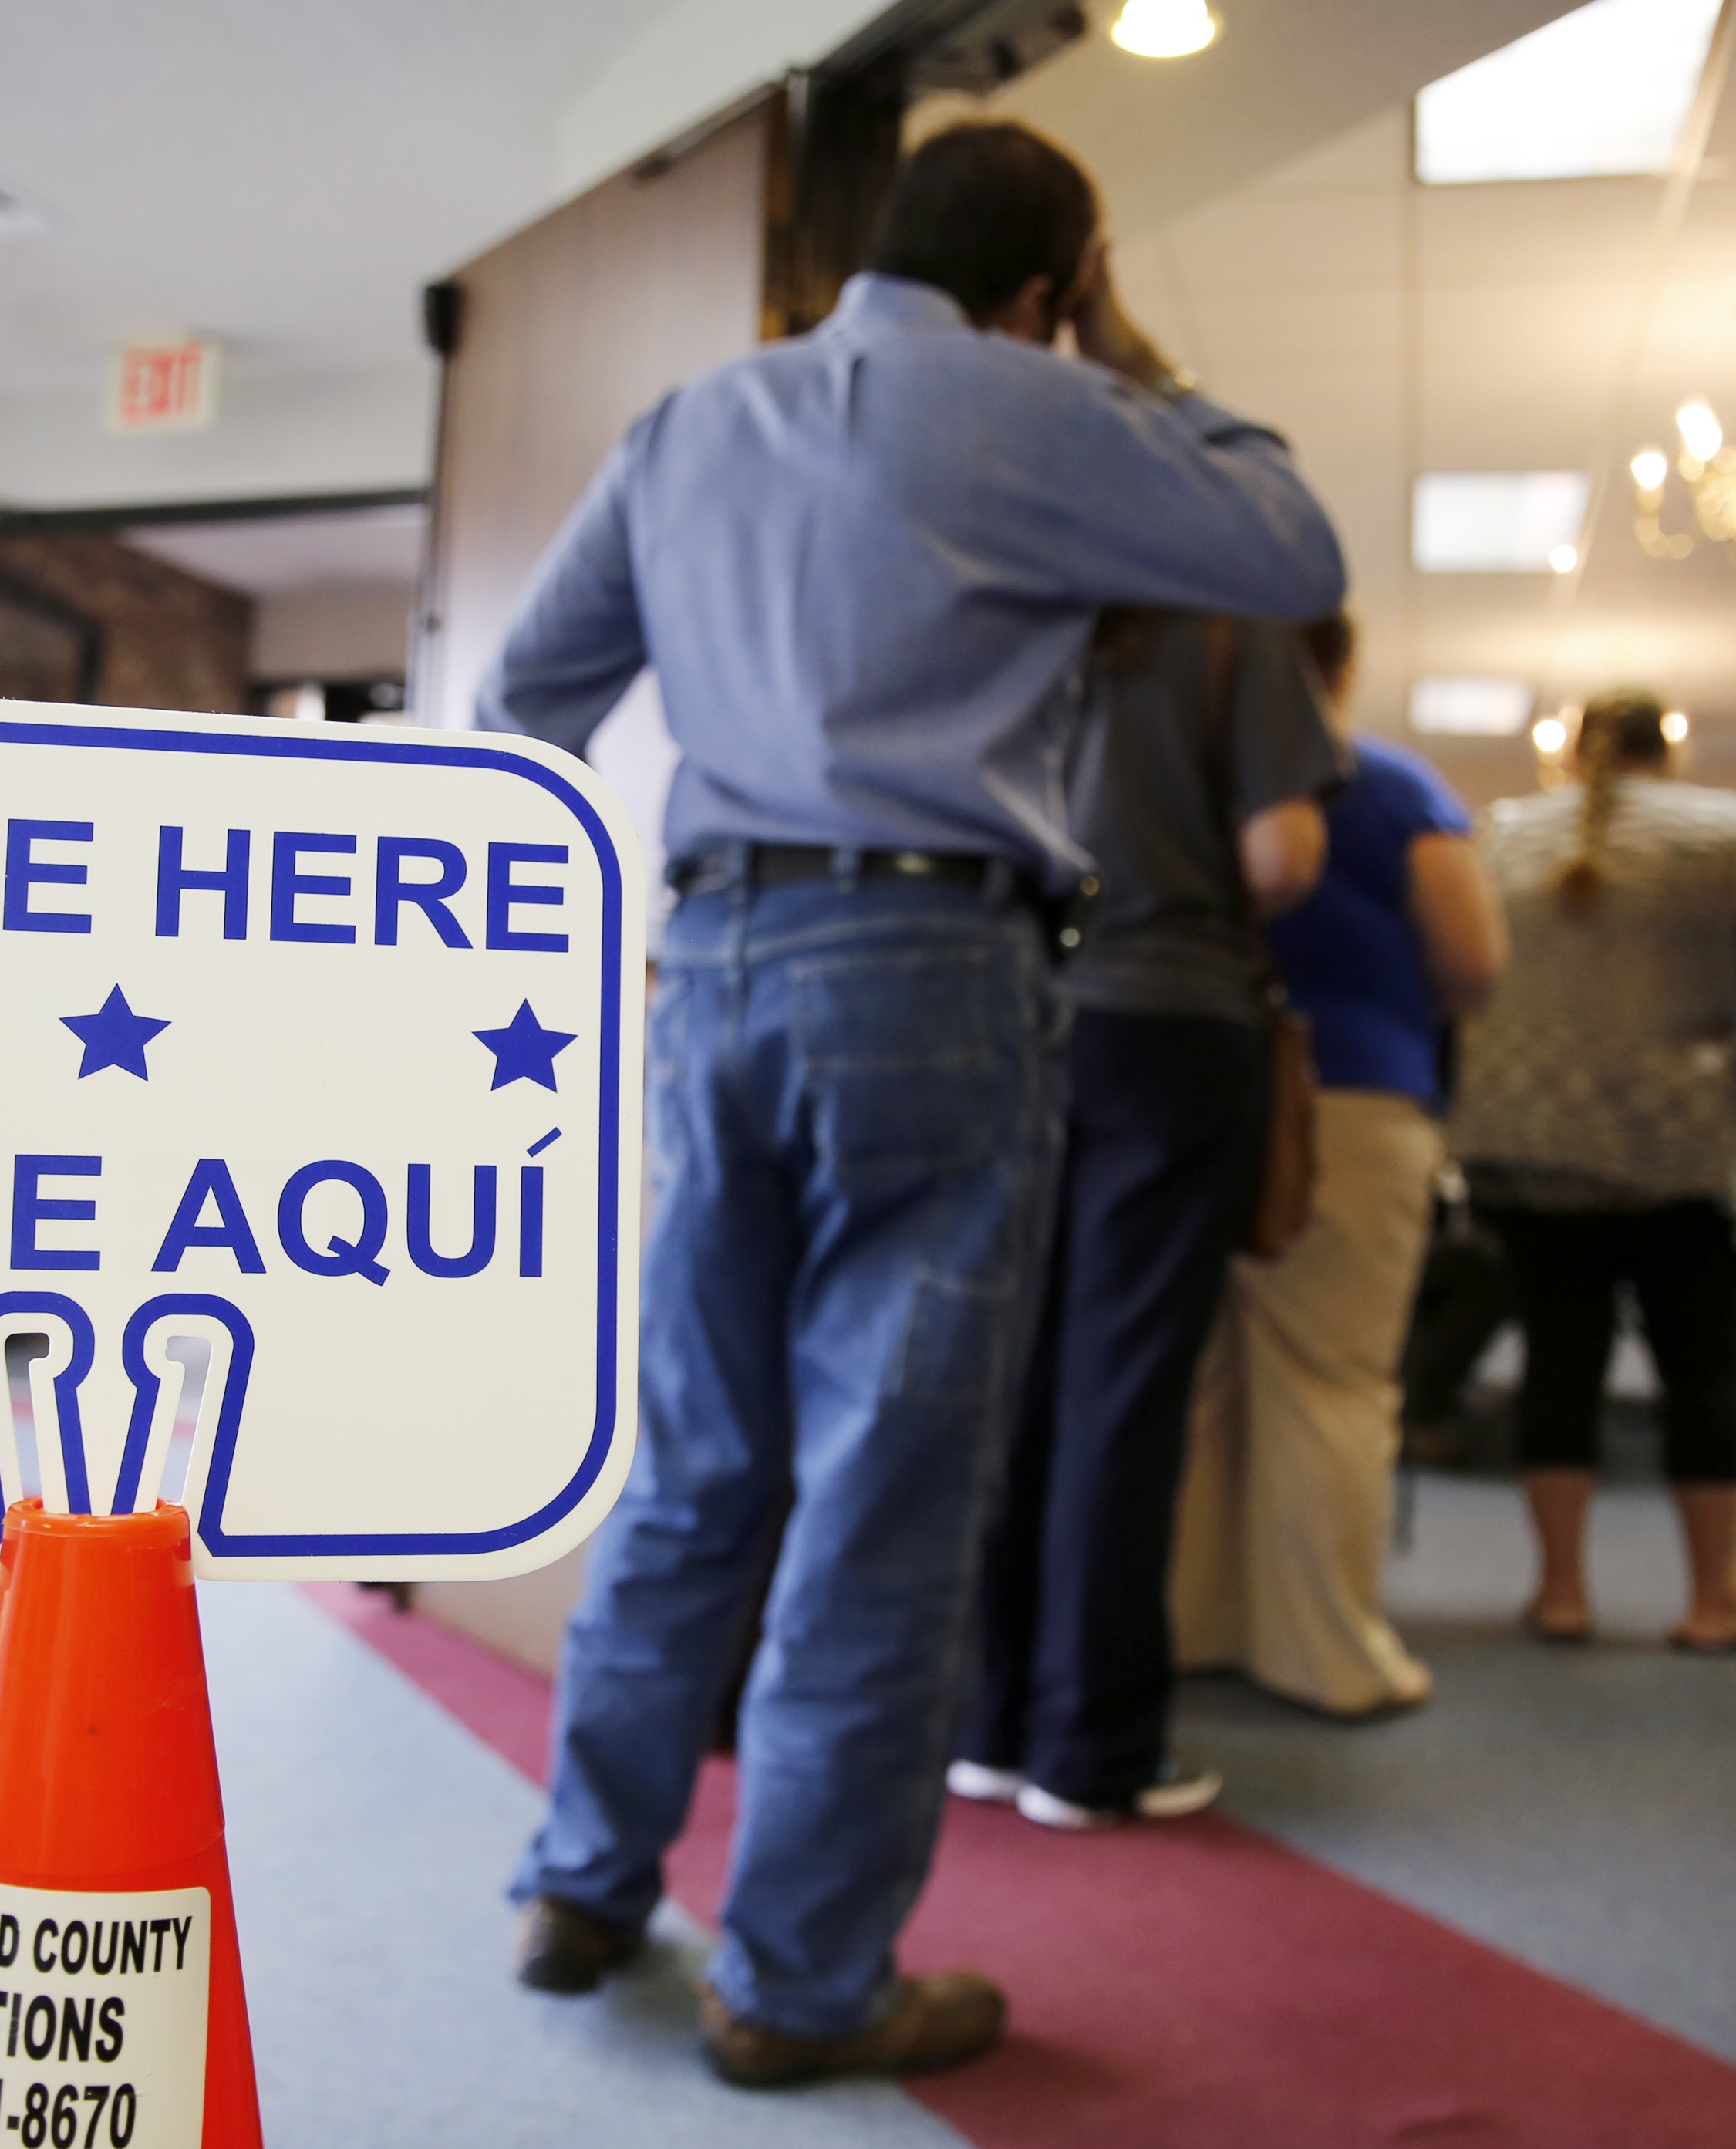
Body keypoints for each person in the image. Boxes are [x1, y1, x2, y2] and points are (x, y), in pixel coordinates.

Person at [475, 121, 1343, 2088]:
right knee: (881, 1502)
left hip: (707, 968)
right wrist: (1115, 357)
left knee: (693, 1469)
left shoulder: (692, 418)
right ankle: (795, 1986)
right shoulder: (1033, 406)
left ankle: (581, 1881)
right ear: (1051, 286)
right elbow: (1291, 543)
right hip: (937, 974)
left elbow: (522, 708)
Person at [948, 609, 1338, 1834]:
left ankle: (990, 1725)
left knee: (1010, 1374)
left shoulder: (998, 607)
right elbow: (1282, 854)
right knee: (1124, 1391)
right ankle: (1093, 1747)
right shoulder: (1227, 624)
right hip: (1169, 1015)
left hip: (1005, 1012)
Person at [1449, 688, 1736, 1654]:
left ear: (1573, 751)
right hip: (1676, 1149)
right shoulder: (1724, 831)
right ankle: (1717, 1600)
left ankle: (1560, 1593)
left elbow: (1451, 958)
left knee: (1557, 1366)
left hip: (1530, 1146)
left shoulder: (1502, 834)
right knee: (1706, 1373)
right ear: (1666, 750)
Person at [1167, 615, 1505, 1719]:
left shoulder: (1179, 780)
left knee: (1203, 1374)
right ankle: (1324, 1651)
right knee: (1332, 1377)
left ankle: (1195, 1625)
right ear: (1345, 664)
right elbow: (1472, 963)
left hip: (1193, 1090)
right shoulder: (1392, 786)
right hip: (1350, 1099)